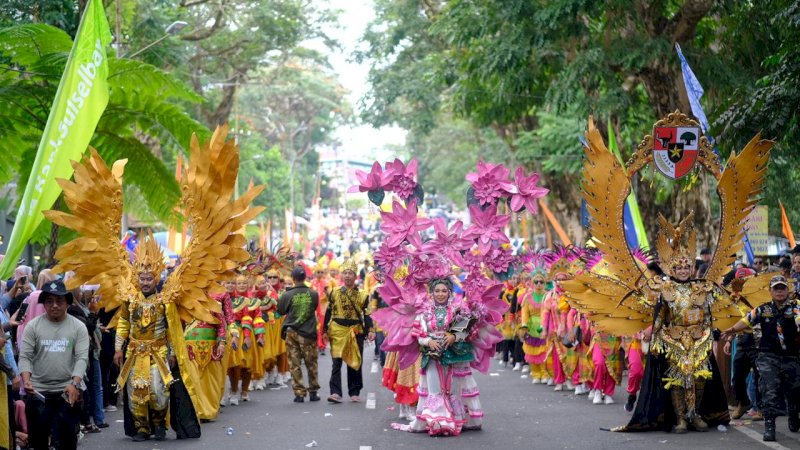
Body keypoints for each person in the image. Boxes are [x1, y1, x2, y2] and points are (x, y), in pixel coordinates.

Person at [400, 278, 484, 436]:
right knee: (435, 389)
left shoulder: (459, 309)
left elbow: (468, 330)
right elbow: (418, 334)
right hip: (432, 355)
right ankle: (437, 422)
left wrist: (455, 337)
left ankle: (455, 420)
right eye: (437, 291)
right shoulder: (424, 312)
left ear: (450, 293)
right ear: (431, 293)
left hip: (455, 355)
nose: (440, 294)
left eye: (444, 291)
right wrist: (428, 341)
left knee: (452, 389)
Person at [722, 275, 800, 442]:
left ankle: (794, 415)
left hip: (791, 357)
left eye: (782, 288)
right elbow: (746, 321)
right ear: (770, 291)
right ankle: (769, 427)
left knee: (794, 391)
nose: (779, 292)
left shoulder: (795, 307)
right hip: (768, 356)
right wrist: (731, 331)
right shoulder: (762, 309)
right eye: (776, 289)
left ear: (788, 290)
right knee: (769, 391)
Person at [19, 280, 89, 450]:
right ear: (43, 303)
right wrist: (26, 379)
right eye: (49, 301)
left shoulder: (78, 327)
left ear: (67, 303)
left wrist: (74, 383)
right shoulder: (32, 326)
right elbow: (25, 356)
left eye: (60, 301)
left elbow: (81, 358)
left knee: (67, 441)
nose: (55, 305)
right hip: (38, 393)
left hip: (67, 392)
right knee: (38, 441)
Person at [323, 259, 374, 403]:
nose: (347, 276)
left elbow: (367, 314)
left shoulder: (363, 294)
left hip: (355, 330)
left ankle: (354, 391)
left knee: (355, 361)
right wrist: (324, 330)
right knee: (336, 362)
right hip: (337, 330)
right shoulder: (334, 292)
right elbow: (328, 312)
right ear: (341, 275)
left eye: (350, 273)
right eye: (345, 273)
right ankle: (335, 392)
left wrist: (370, 329)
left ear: (355, 276)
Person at [278, 267, 320, 403]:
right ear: (305, 277)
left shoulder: (287, 295)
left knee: (294, 363)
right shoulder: (313, 293)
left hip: (291, 332)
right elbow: (313, 308)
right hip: (308, 333)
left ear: (293, 278)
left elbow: (281, 310)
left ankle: (299, 393)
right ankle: (313, 392)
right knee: (311, 363)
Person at [519, 267, 549, 384]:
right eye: (536, 282)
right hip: (531, 327)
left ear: (545, 283)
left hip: (544, 326)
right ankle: (535, 374)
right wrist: (524, 326)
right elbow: (524, 313)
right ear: (533, 283)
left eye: (541, 282)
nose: (538, 284)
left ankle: (544, 372)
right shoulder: (527, 297)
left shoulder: (548, 296)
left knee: (543, 351)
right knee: (531, 351)